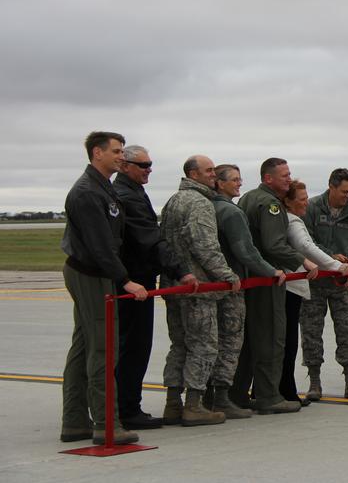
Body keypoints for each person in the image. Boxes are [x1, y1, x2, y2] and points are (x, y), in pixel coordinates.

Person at [61, 131, 148, 446]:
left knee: (84, 345)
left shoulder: (103, 189)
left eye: (122, 151)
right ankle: (105, 423)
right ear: (97, 153)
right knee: (102, 349)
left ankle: (74, 421)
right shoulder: (87, 193)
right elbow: (100, 247)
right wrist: (125, 280)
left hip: (94, 272)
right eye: (116, 151)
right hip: (91, 274)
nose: (120, 156)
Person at [113, 145, 196, 430]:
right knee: (133, 346)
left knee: (132, 344)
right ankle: (127, 409)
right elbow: (150, 240)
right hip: (134, 281)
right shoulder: (128, 196)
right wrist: (181, 270)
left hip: (137, 277)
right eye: (143, 165)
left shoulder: (132, 191)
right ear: (124, 166)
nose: (149, 169)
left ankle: (124, 406)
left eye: (151, 164)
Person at [159, 155, 239, 427]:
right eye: (208, 171)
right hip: (198, 289)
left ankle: (172, 403)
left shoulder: (173, 201)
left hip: (173, 285)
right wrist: (227, 275)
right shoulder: (199, 203)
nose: (213, 175)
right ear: (193, 174)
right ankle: (194, 404)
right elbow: (204, 245)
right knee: (204, 345)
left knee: (179, 344)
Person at [233, 158, 311, 414]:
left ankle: (238, 393)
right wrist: (303, 261)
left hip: (251, 277)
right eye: (284, 175)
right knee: (270, 337)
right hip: (267, 279)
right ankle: (269, 396)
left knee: (249, 339)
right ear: (268, 178)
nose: (289, 179)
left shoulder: (248, 197)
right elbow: (273, 245)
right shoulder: (270, 204)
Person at [211, 164, 285, 418]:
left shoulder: (242, 201)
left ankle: (232, 395)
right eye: (233, 180)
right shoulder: (238, 209)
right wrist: (271, 271)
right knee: (262, 337)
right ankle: (265, 396)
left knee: (229, 342)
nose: (239, 183)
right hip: (246, 280)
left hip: (229, 281)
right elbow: (249, 249)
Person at [279, 179, 348, 404]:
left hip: (291, 286)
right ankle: (289, 391)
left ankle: (286, 389)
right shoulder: (293, 221)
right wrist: (337, 266)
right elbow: (307, 247)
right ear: (288, 202)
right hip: (291, 288)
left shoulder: (285, 219)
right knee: (290, 342)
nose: (306, 204)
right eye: (301, 200)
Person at [303, 168, 348, 401]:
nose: (347, 196)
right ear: (331, 186)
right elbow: (306, 242)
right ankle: (314, 382)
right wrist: (331, 258)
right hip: (315, 283)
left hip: (342, 284)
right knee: (311, 332)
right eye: (343, 191)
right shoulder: (310, 208)